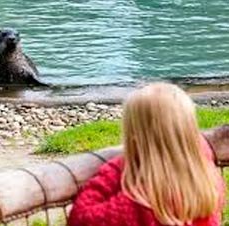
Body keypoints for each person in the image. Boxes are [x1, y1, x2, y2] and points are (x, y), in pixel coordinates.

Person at [68, 83, 225, 226]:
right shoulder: (208, 185)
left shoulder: (139, 202)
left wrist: (116, 169)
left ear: (135, 139)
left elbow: (81, 218)